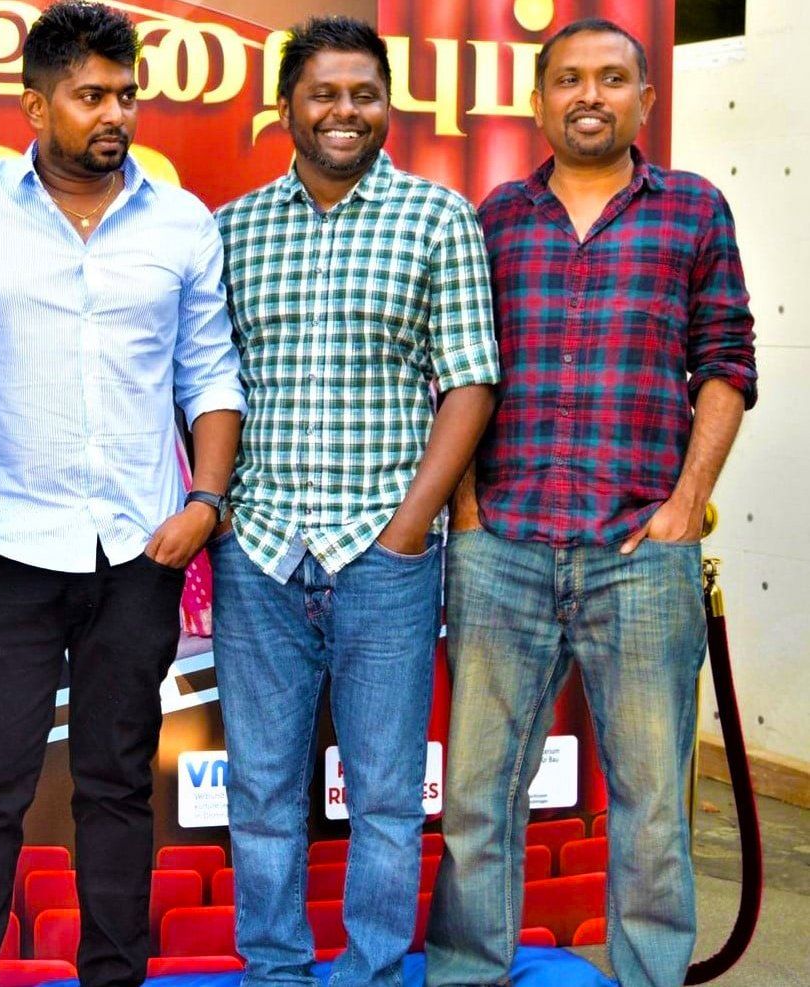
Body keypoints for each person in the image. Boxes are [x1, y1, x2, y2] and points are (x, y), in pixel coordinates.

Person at [0, 4, 246, 983]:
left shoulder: (179, 222)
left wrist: (205, 502)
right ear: (34, 105)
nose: (115, 115)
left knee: (117, 789)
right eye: (91, 96)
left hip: (141, 552)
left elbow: (210, 374)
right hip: (11, 553)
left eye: (126, 95)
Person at [425, 19, 757, 987]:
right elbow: (458, 369)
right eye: (568, 78)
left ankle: (648, 975)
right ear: (537, 101)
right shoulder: (492, 219)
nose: (589, 95)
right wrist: (469, 510)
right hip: (501, 550)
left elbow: (726, 361)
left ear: (643, 99)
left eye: (611, 78)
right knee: (476, 798)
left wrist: (685, 504)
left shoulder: (693, 210)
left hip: (639, 550)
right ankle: (467, 972)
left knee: (650, 806)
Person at [210, 17, 499, 986]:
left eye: (363, 95)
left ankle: (371, 972)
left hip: (384, 554)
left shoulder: (437, 218)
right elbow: (206, 382)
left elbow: (469, 383)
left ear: (387, 107)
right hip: (258, 551)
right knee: (259, 793)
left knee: (383, 797)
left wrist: (409, 529)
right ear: (286, 107)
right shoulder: (233, 228)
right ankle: (275, 971)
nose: (345, 111)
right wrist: (223, 510)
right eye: (323, 94)